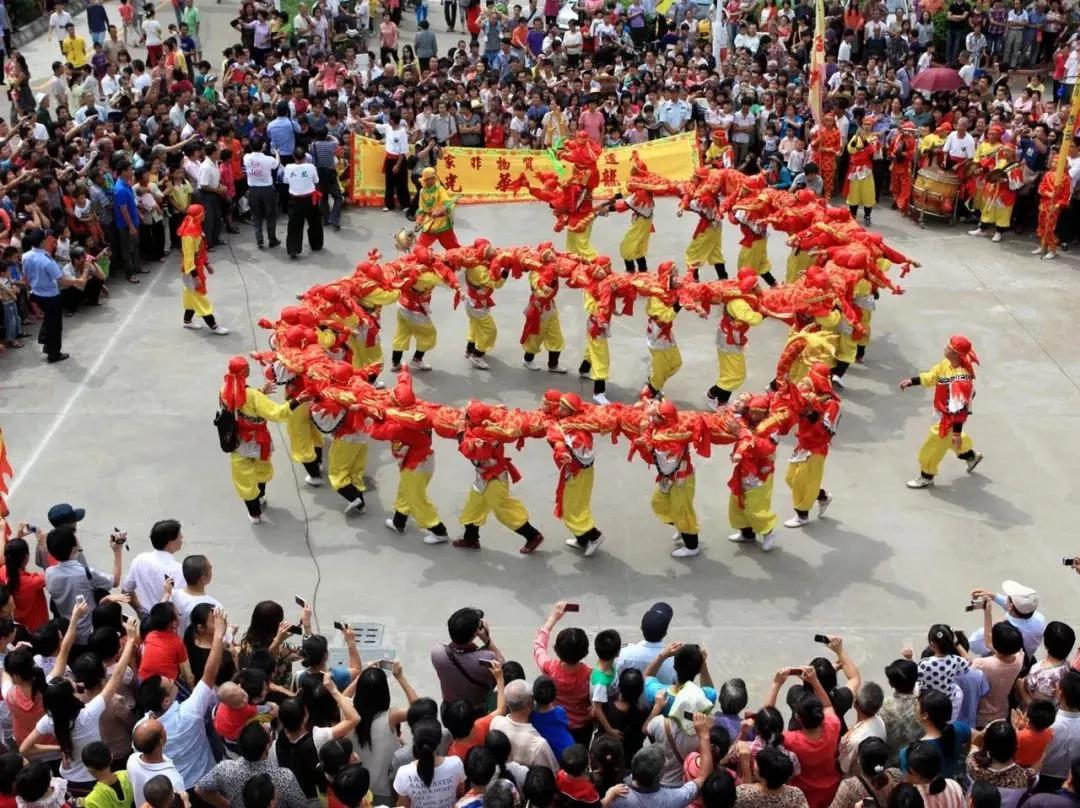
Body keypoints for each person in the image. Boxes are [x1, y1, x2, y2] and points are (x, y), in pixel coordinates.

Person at [19, 619, 138, 797]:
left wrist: (59, 749)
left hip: (69, 780)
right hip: (94, 777)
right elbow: (117, 676)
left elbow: (24, 749)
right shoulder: (88, 713)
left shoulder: (50, 720)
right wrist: (130, 640)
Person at [136, 605, 227, 792]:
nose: (172, 679)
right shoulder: (189, 713)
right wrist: (219, 634)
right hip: (206, 782)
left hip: (173, 790)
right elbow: (209, 675)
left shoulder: (142, 729)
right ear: (166, 701)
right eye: (169, 684)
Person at [218, 355, 309, 523]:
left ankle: (254, 515)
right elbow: (277, 413)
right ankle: (260, 497)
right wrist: (298, 400)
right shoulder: (252, 395)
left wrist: (260, 393)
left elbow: (239, 407)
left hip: (237, 442)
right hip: (258, 441)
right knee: (261, 470)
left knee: (244, 479)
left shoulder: (224, 388)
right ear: (245, 372)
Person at [898, 335, 984, 489]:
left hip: (949, 420)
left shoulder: (960, 379)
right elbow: (932, 376)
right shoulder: (946, 364)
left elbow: (960, 410)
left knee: (932, 447)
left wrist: (956, 433)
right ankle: (972, 456)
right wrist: (912, 381)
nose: (945, 348)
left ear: (957, 354)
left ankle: (926, 476)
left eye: (949, 348)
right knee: (951, 441)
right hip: (940, 413)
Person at [195, 722, 309, 808]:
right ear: (266, 748)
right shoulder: (284, 777)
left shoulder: (225, 769)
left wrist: (227, 805)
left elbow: (200, 789)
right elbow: (301, 806)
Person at [44, 525, 123, 646]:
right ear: (73, 547)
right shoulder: (85, 573)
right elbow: (115, 581)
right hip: (88, 634)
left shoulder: (49, 573)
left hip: (68, 632)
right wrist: (117, 551)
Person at [783, 364, 840, 528]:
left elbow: (827, 430)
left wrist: (811, 411)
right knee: (790, 479)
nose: (800, 384)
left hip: (816, 448)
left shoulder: (831, 404)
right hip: (802, 445)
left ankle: (802, 515)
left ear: (815, 385)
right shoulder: (805, 400)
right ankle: (822, 496)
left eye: (805, 382)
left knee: (803, 481)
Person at [23, 229, 86, 363]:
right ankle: (54, 354)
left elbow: (26, 276)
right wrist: (77, 281)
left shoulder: (26, 256)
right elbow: (61, 280)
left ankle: (46, 342)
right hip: (50, 296)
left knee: (49, 319)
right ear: (43, 241)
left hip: (36, 293)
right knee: (55, 326)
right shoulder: (47, 260)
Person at [175, 204, 228, 335]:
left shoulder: (196, 226)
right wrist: (195, 276)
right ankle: (213, 325)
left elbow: (200, 250)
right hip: (191, 270)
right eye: (203, 213)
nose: (205, 215)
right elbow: (188, 257)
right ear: (199, 216)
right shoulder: (189, 235)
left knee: (191, 295)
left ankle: (187, 321)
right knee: (199, 297)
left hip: (196, 267)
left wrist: (207, 263)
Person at [392, 720, 465, 808]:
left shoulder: (404, 773)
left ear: (415, 742)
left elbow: (403, 806)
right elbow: (461, 794)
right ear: (439, 741)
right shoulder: (456, 764)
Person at [120, 520, 185, 617]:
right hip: (168, 623)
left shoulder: (140, 560)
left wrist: (139, 610)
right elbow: (182, 603)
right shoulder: (179, 570)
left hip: (147, 620)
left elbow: (126, 590)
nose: (182, 538)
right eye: (180, 536)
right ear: (170, 544)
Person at [490, 680, 558, 769]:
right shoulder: (538, 745)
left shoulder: (496, 722)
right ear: (530, 702)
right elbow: (550, 774)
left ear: (507, 703)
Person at [282, 148, 324, 260]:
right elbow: (316, 181)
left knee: (294, 225)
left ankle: (293, 249)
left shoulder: (288, 167)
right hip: (310, 199)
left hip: (295, 200)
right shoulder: (311, 167)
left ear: (294, 157)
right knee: (315, 222)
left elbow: (286, 181)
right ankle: (316, 245)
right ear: (305, 157)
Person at [244, 145, 281, 249]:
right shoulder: (268, 159)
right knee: (271, 215)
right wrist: (277, 154)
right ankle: (272, 239)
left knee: (256, 215)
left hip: (253, 190)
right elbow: (277, 164)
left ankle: (259, 240)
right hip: (267, 190)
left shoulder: (246, 157)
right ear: (262, 147)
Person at [415, 168, 460, 249]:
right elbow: (421, 209)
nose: (431, 181)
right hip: (429, 224)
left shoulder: (440, 189)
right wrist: (418, 222)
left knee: (453, 248)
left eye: (432, 178)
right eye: (428, 179)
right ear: (424, 180)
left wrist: (441, 210)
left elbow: (447, 203)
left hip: (443, 224)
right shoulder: (422, 192)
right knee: (420, 248)